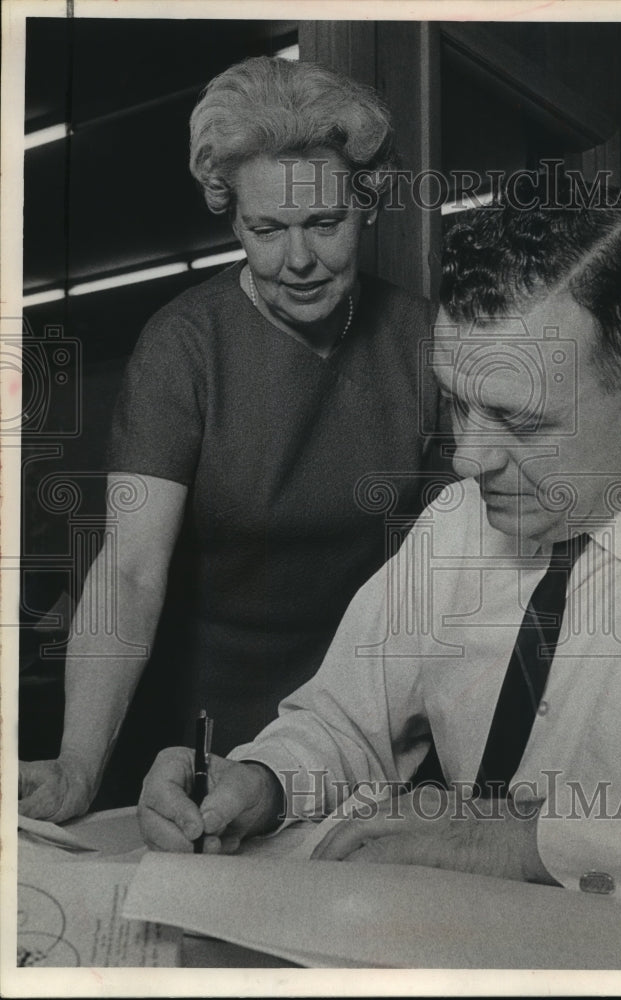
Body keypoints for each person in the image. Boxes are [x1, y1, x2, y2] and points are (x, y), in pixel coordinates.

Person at [138, 198, 621, 912]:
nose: (467, 458)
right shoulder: (458, 522)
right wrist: (258, 781)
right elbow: (343, 722)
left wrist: (520, 840)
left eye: (519, 421)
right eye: (458, 405)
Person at [18, 56, 451, 822]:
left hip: (355, 719)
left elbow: (451, 576)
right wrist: (80, 763)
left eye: (324, 223)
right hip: (190, 726)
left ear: (369, 206)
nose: (298, 260)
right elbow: (129, 570)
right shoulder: (183, 347)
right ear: (231, 217)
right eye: (265, 229)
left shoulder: (423, 343)